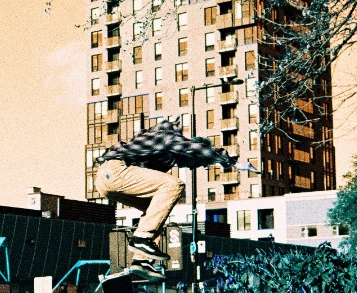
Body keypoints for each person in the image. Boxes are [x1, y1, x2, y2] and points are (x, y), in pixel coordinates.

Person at [94, 118, 252, 280]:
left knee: (157, 211)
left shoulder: (157, 152)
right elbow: (194, 148)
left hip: (106, 181)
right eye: (194, 163)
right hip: (114, 172)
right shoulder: (169, 138)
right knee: (174, 185)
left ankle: (140, 261)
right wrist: (231, 162)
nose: (191, 167)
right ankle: (141, 238)